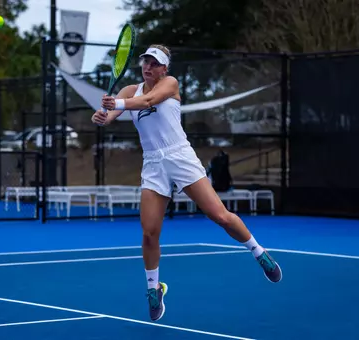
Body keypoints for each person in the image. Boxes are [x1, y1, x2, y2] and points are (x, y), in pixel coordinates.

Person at [91, 45, 282, 322]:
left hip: (181, 157)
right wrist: (101, 117)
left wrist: (116, 105)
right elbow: (107, 117)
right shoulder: (128, 91)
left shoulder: (170, 84)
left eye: (155, 63)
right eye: (146, 61)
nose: (148, 67)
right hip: (153, 164)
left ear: (164, 68)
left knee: (220, 216)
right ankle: (154, 288)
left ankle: (259, 252)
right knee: (149, 232)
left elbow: (148, 102)